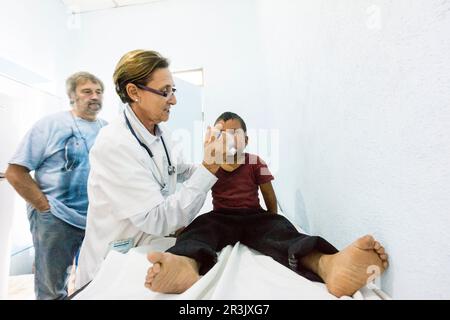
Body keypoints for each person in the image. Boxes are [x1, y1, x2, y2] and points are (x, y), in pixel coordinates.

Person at [144, 112, 390, 298]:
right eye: (222, 134)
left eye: (235, 134)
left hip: (254, 216)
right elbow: (195, 195)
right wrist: (183, 226)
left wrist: (273, 218)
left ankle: (328, 264)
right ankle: (185, 264)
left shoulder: (256, 162)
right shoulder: (210, 164)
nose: (229, 140)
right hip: (220, 217)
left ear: (246, 140)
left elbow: (268, 194)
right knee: (199, 230)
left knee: (282, 233)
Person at [74, 49, 226, 290]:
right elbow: (157, 219)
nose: (173, 100)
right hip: (112, 264)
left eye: (172, 91)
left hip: (147, 253)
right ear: (133, 92)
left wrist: (220, 166)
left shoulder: (159, 133)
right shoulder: (114, 144)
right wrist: (210, 167)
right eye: (165, 92)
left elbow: (179, 170)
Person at [5, 72, 107, 299]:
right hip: (56, 218)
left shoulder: (107, 129)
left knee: (97, 283)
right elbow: (15, 172)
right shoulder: (50, 125)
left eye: (99, 92)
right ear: (72, 95)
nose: (95, 96)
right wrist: (44, 207)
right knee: (52, 288)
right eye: (87, 91)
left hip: (95, 220)